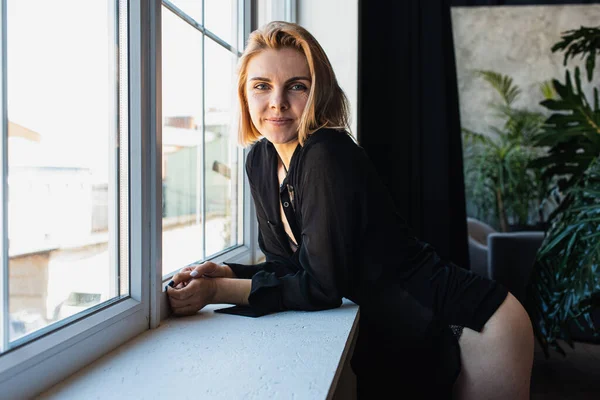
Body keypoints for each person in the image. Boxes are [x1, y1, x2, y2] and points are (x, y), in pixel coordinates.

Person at [166, 21, 534, 399]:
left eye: (297, 86)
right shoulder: (259, 160)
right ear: (245, 94)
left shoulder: (326, 153)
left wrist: (217, 291)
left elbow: (322, 287)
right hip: (403, 332)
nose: (277, 101)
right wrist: (226, 271)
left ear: (317, 92)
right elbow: (290, 268)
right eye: (261, 86)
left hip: (472, 323)